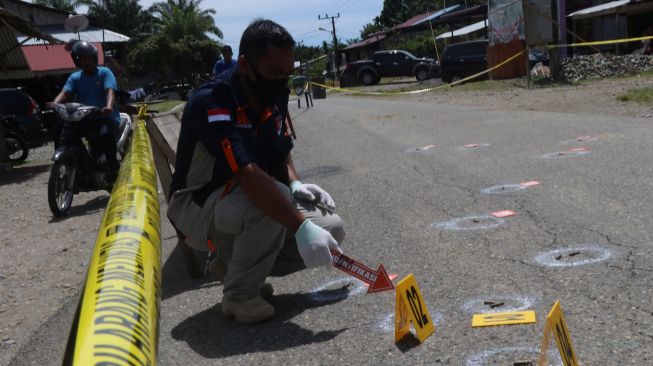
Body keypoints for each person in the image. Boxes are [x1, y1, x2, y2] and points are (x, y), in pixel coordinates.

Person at [167, 19, 345, 324]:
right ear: (246, 65)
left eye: (288, 73)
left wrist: (295, 183)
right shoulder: (213, 100)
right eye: (275, 73)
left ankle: (232, 265)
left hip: (235, 203)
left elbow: (281, 150)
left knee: (331, 228)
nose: (282, 81)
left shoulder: (272, 93)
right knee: (270, 203)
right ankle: (239, 296)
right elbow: (247, 174)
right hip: (195, 208)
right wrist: (301, 227)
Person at [47, 40, 120, 179]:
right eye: (82, 58)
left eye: (89, 58)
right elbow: (65, 93)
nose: (86, 61)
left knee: (105, 134)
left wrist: (109, 107)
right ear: (77, 60)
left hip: (105, 117)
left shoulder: (104, 72)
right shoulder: (75, 77)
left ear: (94, 58)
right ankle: (79, 163)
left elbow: (110, 91)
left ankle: (113, 167)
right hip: (85, 117)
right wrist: (54, 104)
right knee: (60, 131)